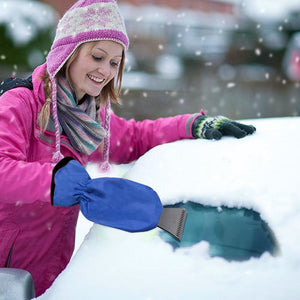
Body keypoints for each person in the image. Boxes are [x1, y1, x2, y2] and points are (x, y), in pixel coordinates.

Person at [0, 0, 256, 296]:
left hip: (51, 273)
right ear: (67, 53)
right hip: (7, 273)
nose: (105, 70)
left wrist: (191, 125)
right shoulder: (20, 104)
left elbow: (135, 138)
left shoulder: (88, 118)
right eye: (97, 56)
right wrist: (51, 179)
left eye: (114, 62)